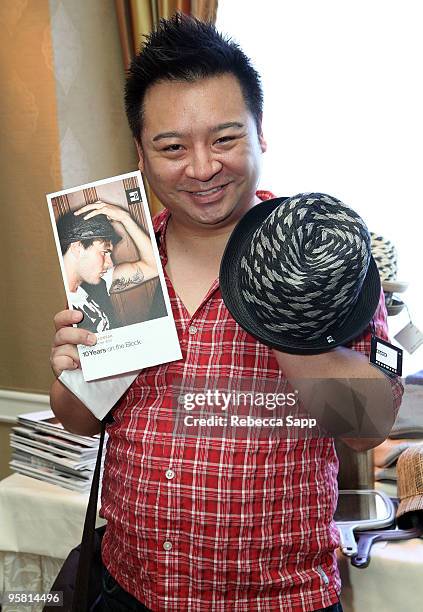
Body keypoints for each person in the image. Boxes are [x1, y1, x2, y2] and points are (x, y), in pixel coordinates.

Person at [50, 15, 403, 611]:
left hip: (274, 600)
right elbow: (80, 421)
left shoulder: (322, 253)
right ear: (141, 153)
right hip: (128, 588)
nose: (202, 167)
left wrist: (282, 308)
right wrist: (73, 368)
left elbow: (367, 427)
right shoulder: (112, 259)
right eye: (172, 147)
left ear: (261, 134)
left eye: (225, 138)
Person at [57, 201, 158, 333]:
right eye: (104, 252)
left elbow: (154, 266)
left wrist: (125, 218)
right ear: (77, 248)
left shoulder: (97, 282)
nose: (110, 263)